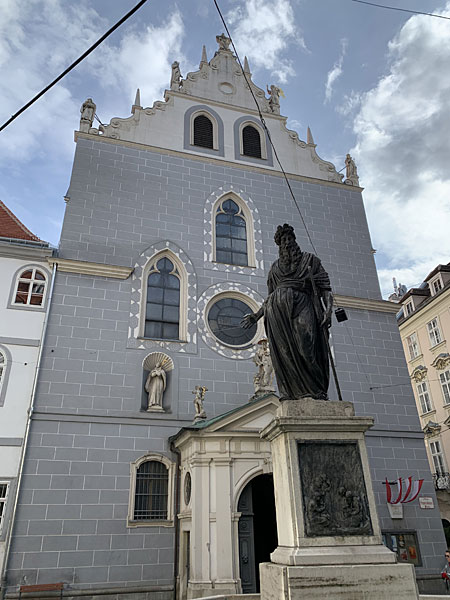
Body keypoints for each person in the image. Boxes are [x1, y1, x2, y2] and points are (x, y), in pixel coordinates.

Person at [242, 223, 333, 401]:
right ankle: (293, 393)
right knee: (284, 353)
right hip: (277, 312)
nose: (287, 243)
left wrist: (328, 310)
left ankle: (316, 390)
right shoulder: (275, 268)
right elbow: (269, 296)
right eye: (283, 240)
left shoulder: (310, 260)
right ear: (279, 245)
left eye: (289, 238)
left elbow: (325, 287)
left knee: (306, 346)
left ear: (294, 240)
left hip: (302, 304)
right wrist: (256, 316)